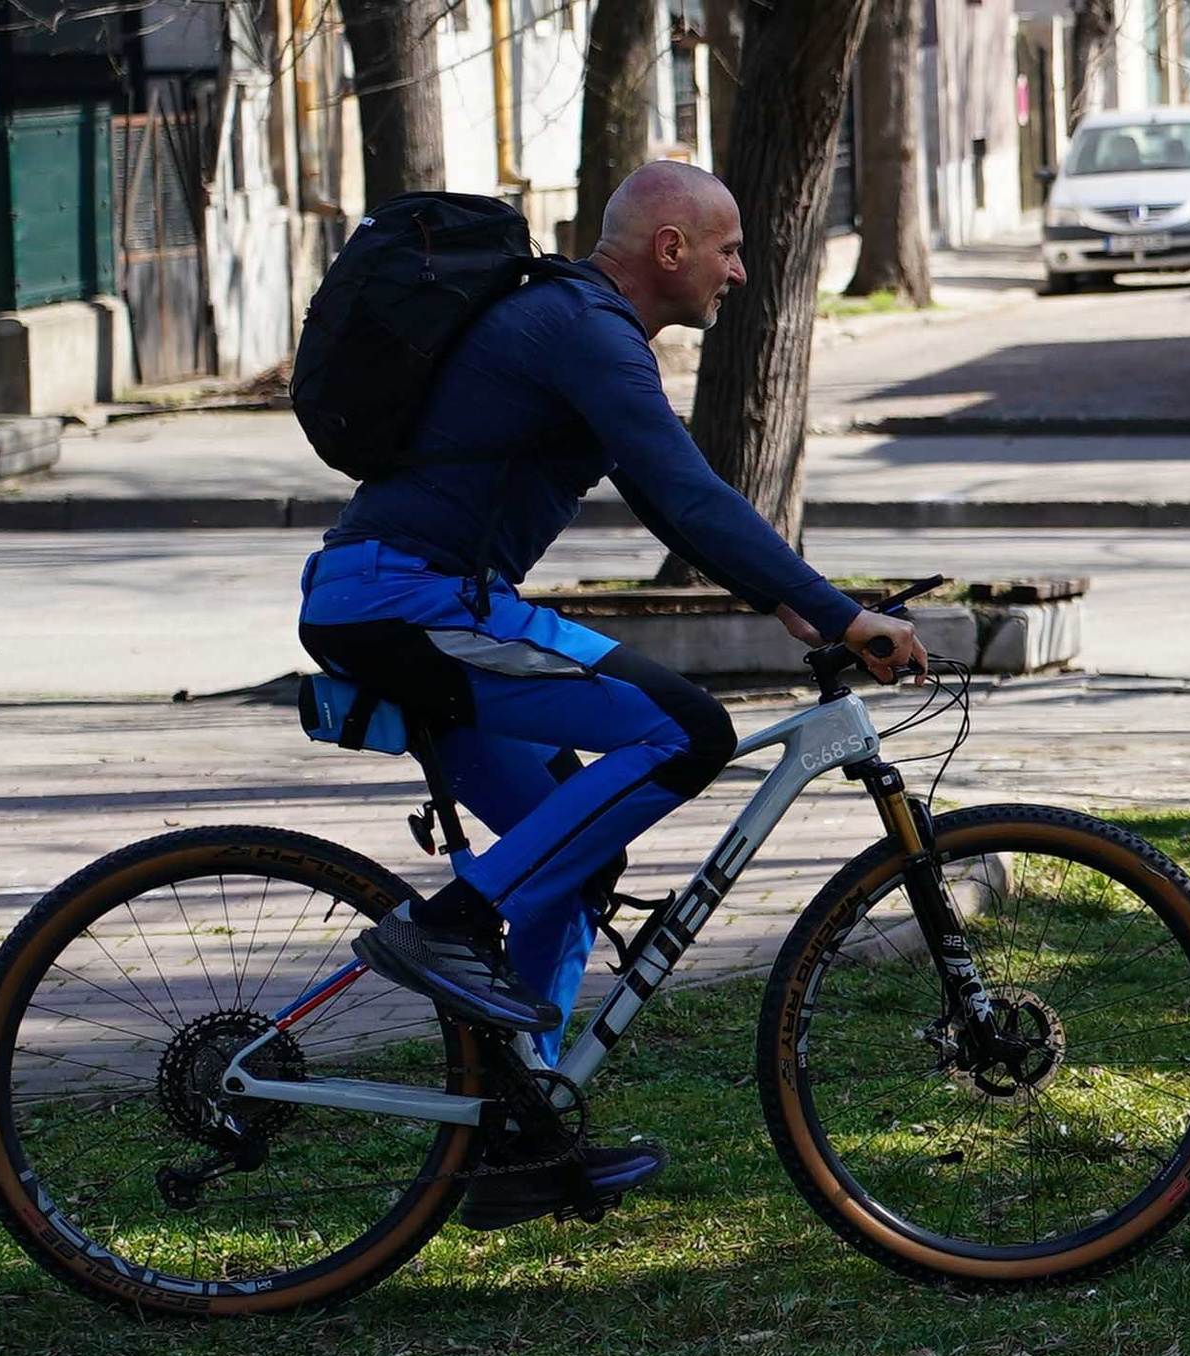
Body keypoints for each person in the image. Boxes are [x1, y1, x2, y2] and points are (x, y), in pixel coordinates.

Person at [296, 161, 926, 1228]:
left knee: (574, 857)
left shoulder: (576, 326)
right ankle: (451, 924)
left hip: (404, 599)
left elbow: (669, 500)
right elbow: (684, 489)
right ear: (668, 248)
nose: (740, 271)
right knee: (685, 728)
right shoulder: (584, 328)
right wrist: (833, 611)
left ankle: (516, 1125)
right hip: (407, 600)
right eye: (726, 248)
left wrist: (788, 598)